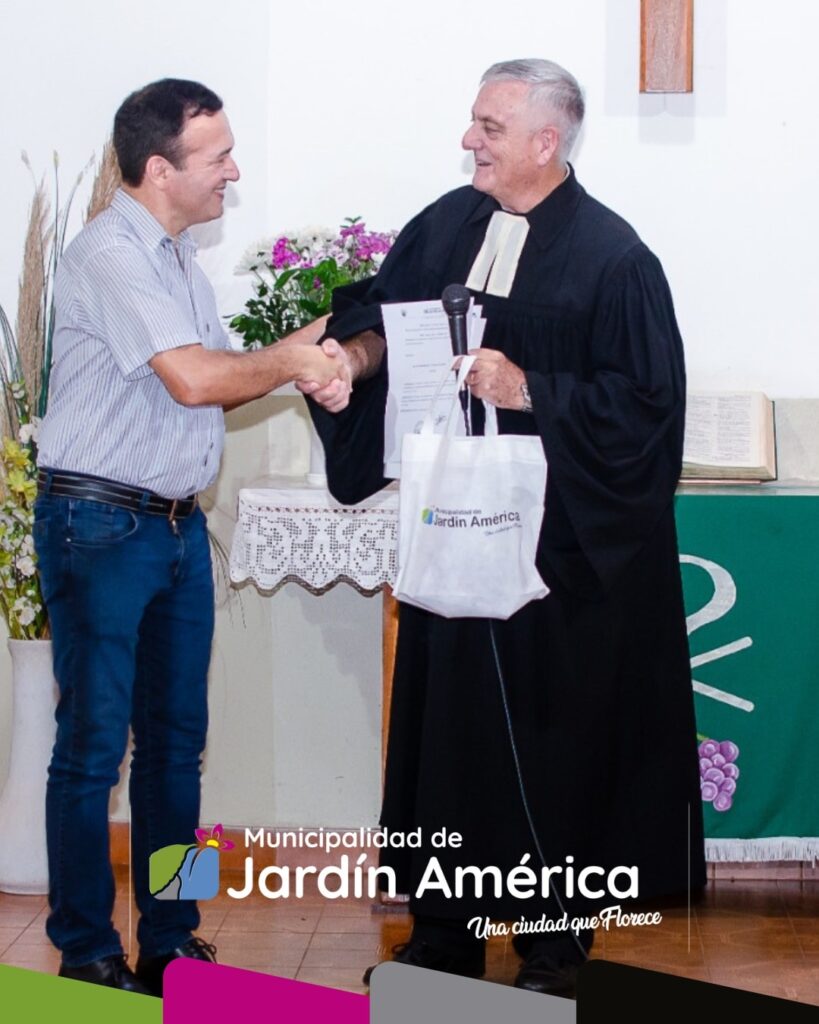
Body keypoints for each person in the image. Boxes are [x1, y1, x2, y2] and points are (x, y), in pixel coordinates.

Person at [302, 59, 707, 997]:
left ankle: (554, 942)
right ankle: (444, 933)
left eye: (488, 126)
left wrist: (532, 390)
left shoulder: (614, 259)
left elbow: (648, 411)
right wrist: (346, 368)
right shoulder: (446, 223)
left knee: (557, 745)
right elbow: (381, 324)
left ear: (543, 141)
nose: (467, 141)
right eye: (472, 123)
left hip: (558, 558)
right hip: (456, 533)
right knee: (449, 737)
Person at [33, 78, 345, 996]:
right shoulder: (110, 254)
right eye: (218, 156)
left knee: (179, 747)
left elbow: (232, 373)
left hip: (171, 529)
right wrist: (295, 360)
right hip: (99, 525)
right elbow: (197, 380)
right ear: (160, 168)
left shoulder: (177, 260)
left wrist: (342, 330)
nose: (233, 171)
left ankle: (172, 935)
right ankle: (86, 951)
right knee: (92, 749)